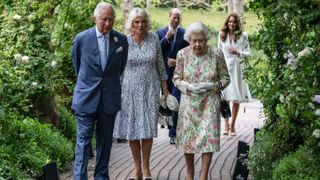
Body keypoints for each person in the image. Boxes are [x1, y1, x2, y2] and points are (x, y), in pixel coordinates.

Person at [71, 2, 128, 179]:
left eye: (111, 20)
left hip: (109, 100)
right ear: (94, 18)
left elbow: (120, 68)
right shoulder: (81, 39)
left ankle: (101, 177)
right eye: (104, 20)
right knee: (83, 143)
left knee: (105, 143)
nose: (108, 24)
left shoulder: (121, 41)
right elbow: (77, 65)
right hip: (86, 99)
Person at [113, 8, 169, 180]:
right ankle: (137, 168)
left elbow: (160, 64)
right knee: (132, 130)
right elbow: (117, 67)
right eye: (136, 21)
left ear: (147, 23)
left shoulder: (154, 38)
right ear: (131, 23)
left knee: (146, 130)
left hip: (150, 90)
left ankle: (146, 167)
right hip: (128, 90)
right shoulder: (124, 40)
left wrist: (165, 90)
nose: (140, 25)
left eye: (143, 21)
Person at [173, 22, 230, 180]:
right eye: (194, 41)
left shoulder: (216, 54)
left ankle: (203, 176)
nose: (197, 44)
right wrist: (189, 86)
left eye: (201, 40)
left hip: (209, 103)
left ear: (207, 39)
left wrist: (211, 86)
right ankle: (189, 173)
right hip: (189, 103)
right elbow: (176, 79)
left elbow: (225, 78)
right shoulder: (182, 54)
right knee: (188, 138)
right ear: (188, 40)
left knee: (208, 138)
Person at [156, 8, 189, 145]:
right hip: (162, 74)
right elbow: (154, 50)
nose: (176, 20)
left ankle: (173, 133)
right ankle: (166, 125)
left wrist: (177, 62)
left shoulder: (185, 34)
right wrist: (166, 39)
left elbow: (189, 55)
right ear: (169, 16)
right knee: (164, 103)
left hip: (177, 75)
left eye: (178, 18)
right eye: (174, 17)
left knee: (175, 103)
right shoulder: (160, 33)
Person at [218, 13, 252, 136]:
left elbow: (249, 53)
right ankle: (226, 125)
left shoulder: (243, 36)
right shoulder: (222, 35)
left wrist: (238, 52)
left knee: (236, 98)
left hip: (238, 68)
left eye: (234, 22)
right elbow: (218, 53)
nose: (231, 24)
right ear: (227, 23)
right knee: (225, 97)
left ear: (237, 23)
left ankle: (233, 125)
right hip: (225, 68)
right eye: (229, 22)